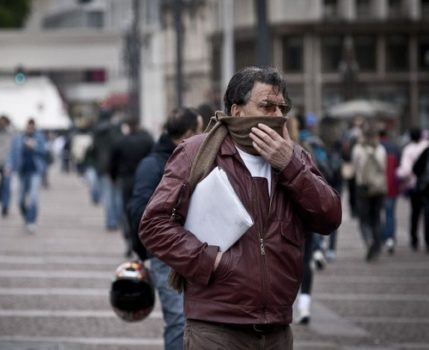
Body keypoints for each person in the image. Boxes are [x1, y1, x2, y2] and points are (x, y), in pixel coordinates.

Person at [139, 66, 342, 349]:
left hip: (277, 328)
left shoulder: (295, 156)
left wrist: (290, 166)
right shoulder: (196, 152)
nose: (276, 115)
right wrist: (210, 261)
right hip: (216, 327)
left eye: (281, 108)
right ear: (236, 111)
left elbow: (330, 216)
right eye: (266, 106)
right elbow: (153, 225)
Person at [127, 107, 203, 350]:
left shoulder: (194, 159)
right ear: (189, 134)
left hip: (195, 251)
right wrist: (147, 251)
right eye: (201, 130)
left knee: (197, 322)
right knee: (179, 321)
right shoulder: (153, 165)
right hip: (167, 254)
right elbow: (138, 211)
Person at [110, 116, 154, 257]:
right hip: (144, 179)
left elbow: (113, 162)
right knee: (143, 210)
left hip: (126, 179)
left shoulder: (121, 141)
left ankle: (129, 238)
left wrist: (113, 177)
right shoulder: (147, 140)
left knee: (127, 211)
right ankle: (142, 239)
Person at [352, 124, 387, 262]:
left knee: (364, 219)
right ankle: (377, 248)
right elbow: (383, 168)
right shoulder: (381, 149)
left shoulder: (358, 149)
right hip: (379, 188)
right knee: (376, 218)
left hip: (363, 188)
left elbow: (355, 167)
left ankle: (368, 240)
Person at [8, 118, 48, 234]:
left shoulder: (39, 137)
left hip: (35, 171)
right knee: (20, 200)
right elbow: (12, 153)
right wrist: (9, 165)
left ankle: (32, 220)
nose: (30, 129)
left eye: (32, 127)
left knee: (33, 197)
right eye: (28, 127)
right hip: (22, 171)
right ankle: (26, 217)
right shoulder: (19, 137)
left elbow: (45, 151)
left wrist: (34, 146)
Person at [396, 128, 429, 251]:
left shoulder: (408, 149)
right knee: (427, 214)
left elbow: (406, 170)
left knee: (415, 213)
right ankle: (427, 240)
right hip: (427, 186)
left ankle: (414, 239)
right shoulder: (426, 146)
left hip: (415, 187)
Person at [379, 128, 401, 254]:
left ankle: (382, 237)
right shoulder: (394, 147)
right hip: (392, 186)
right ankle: (390, 238)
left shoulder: (376, 147)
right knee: (390, 214)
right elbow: (400, 167)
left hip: (378, 186)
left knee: (378, 214)